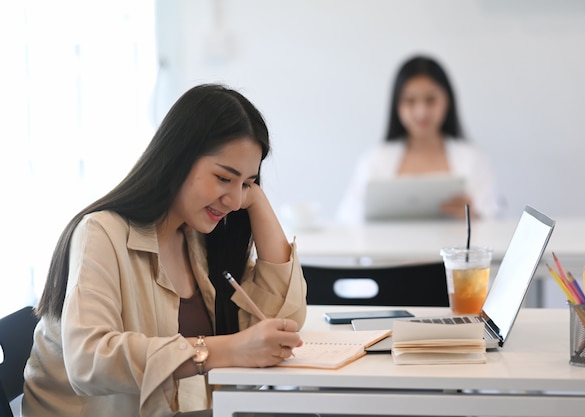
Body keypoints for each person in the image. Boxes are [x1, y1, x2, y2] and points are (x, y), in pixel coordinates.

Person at [22, 84, 308, 417]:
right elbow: (89, 362)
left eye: (246, 183)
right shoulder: (102, 232)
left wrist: (257, 200)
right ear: (179, 157)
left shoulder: (198, 238)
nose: (234, 201)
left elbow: (283, 321)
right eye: (223, 178)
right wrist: (221, 349)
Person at [335, 55, 503, 224]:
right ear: (397, 105)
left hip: (453, 249)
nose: (421, 112)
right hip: (386, 250)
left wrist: (474, 216)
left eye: (431, 100)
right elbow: (346, 217)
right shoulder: (375, 159)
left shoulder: (472, 158)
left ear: (447, 101)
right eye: (410, 101)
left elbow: (493, 218)